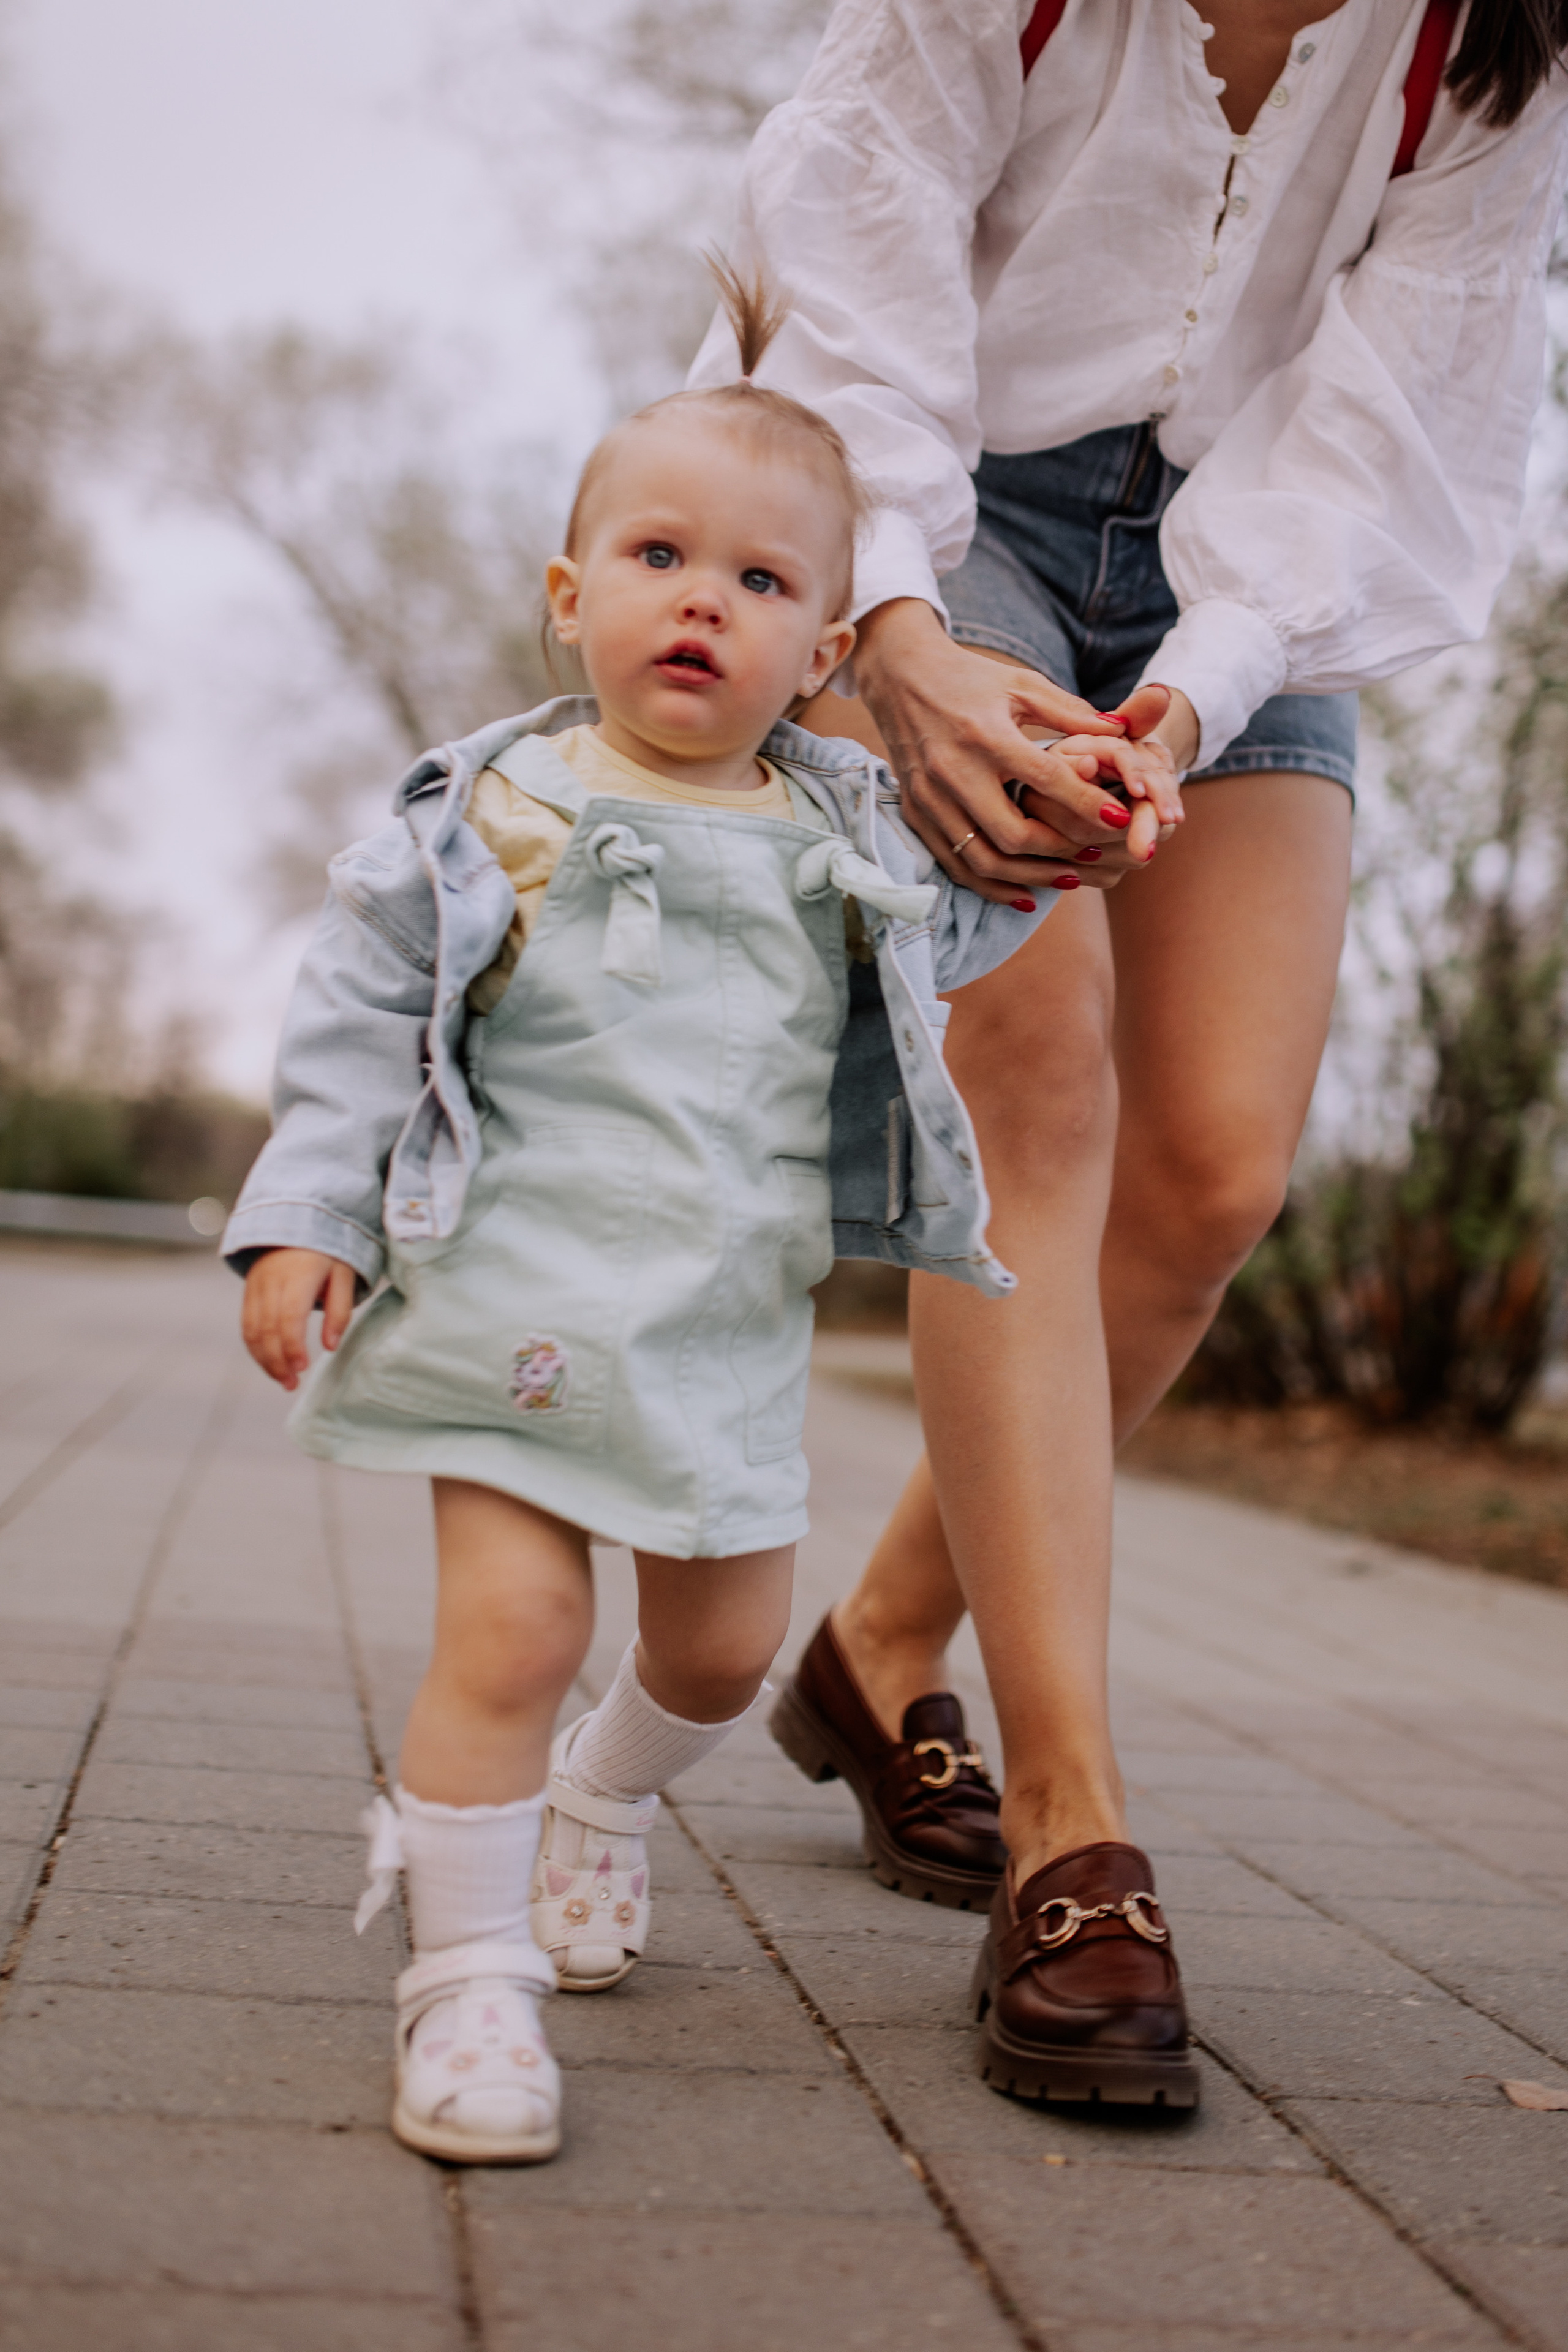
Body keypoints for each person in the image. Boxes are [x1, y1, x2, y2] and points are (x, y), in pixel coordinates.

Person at [688, 0, 1568, 2101]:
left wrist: (1189, 696)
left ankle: (879, 1645)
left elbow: (1375, 418)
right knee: (1036, 1077)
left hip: (1237, 568)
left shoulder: (1496, 48)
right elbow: (857, 290)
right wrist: (891, 641)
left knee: (1213, 1174)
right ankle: (1071, 1828)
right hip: (937, 511)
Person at [223, 266, 1185, 2164]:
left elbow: (974, 930)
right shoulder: (486, 814)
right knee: (505, 1632)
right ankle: (469, 1987)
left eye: (759, 583)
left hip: (720, 1339)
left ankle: (606, 1795)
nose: (704, 601)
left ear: (824, 648)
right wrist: (300, 1219)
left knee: (727, 1657)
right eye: (661, 556)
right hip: (503, 1302)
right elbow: (356, 1019)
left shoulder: (841, 835)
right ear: (572, 599)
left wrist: (1074, 820)